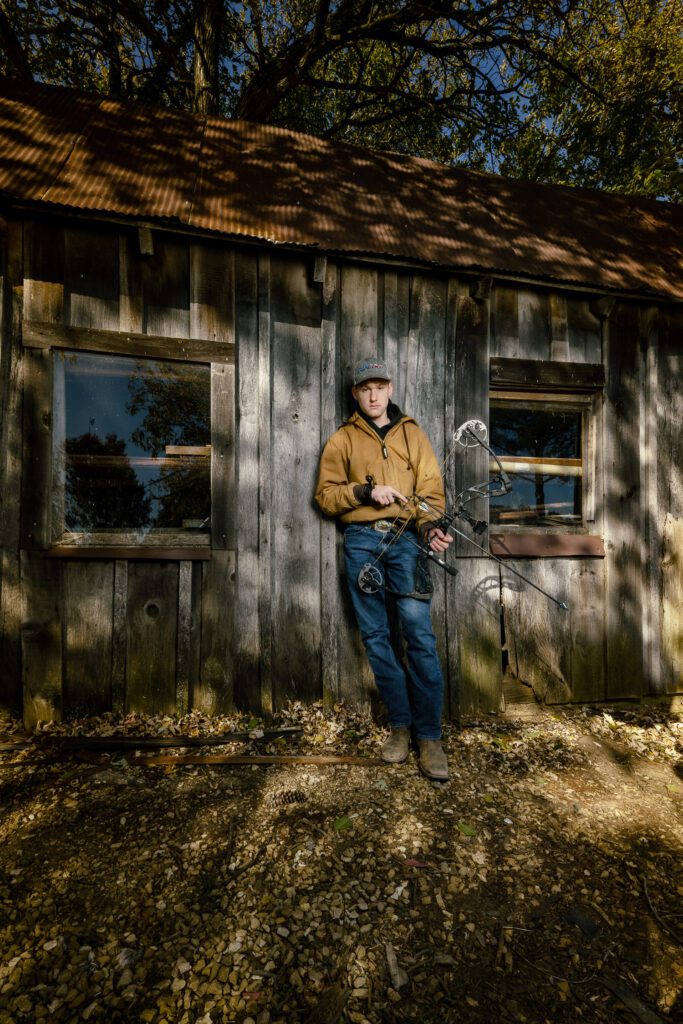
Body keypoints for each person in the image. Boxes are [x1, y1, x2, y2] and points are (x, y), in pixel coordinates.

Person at [315, 358, 453, 781]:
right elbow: (325, 495)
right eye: (364, 389)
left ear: (390, 388)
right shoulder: (342, 439)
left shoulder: (412, 433)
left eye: (379, 387)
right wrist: (364, 491)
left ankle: (429, 737)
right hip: (361, 544)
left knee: (419, 637)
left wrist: (430, 527)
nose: (373, 395)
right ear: (355, 394)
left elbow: (430, 489)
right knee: (376, 638)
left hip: (407, 542)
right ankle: (400, 727)